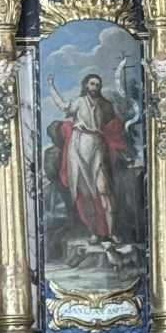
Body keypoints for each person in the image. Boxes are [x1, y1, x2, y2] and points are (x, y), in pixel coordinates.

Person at [47, 72, 130, 247]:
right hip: (77, 147)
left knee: (103, 189)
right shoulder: (79, 102)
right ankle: (95, 232)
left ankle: (111, 232)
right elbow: (63, 106)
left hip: (97, 146)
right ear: (86, 85)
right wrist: (51, 86)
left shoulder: (106, 105)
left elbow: (115, 125)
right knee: (85, 194)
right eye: (92, 84)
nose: (95, 87)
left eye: (98, 85)